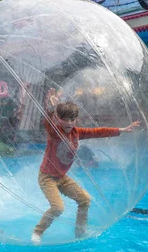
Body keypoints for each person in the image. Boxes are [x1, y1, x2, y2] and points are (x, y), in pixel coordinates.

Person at [32, 89, 140, 244]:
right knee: (58, 208)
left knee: (85, 200)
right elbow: (48, 121)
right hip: (47, 177)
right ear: (58, 119)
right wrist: (51, 108)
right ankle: (37, 232)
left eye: (72, 119)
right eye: (65, 119)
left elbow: (98, 132)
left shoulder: (77, 133)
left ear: (76, 119)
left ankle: (80, 232)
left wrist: (121, 130)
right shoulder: (55, 132)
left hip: (61, 177)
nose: (69, 123)